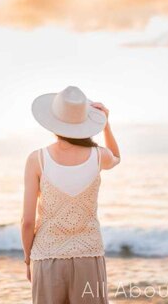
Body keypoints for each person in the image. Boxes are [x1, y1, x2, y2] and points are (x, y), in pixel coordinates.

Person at [21, 85, 121, 304]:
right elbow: (116, 156)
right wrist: (107, 125)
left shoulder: (36, 159)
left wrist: (28, 260)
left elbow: (28, 222)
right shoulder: (98, 156)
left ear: (53, 121)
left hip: (47, 257)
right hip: (89, 255)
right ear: (84, 122)